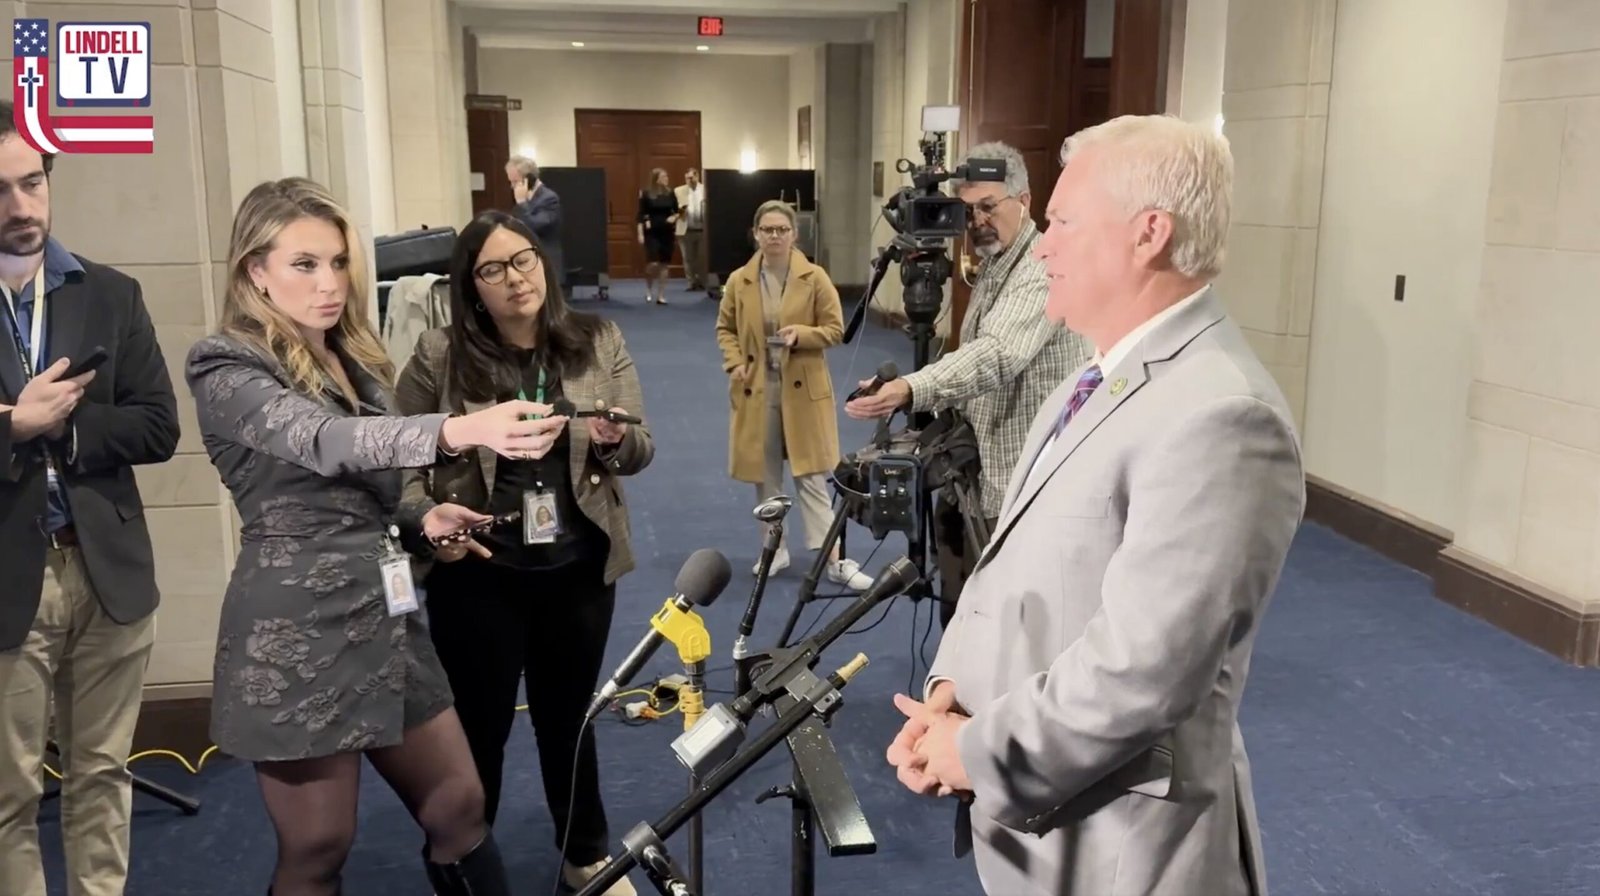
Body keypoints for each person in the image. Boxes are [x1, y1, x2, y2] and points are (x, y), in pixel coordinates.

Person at [886, 115, 1306, 896]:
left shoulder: (1221, 414)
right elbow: (1007, 574)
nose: (1042, 247)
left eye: (1064, 222)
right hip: (1048, 824)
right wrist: (950, 695)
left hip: (1126, 853)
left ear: (1149, 233)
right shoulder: (1093, 376)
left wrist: (973, 751)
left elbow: (1142, 674)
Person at [186, 177, 562, 896]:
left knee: (459, 802)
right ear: (254, 271)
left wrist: (423, 522)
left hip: (386, 613)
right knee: (319, 844)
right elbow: (325, 441)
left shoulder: (350, 355)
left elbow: (365, 489)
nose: (329, 283)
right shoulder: (225, 363)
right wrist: (460, 430)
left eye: (338, 262)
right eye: (304, 264)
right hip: (295, 627)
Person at [395, 210, 653, 896]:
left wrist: (608, 440)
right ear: (470, 286)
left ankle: (585, 855)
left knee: (570, 719)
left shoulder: (597, 340)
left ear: (542, 264)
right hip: (479, 572)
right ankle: (467, 861)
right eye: (491, 270)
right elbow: (397, 461)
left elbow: (640, 448)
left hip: (577, 569)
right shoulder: (437, 355)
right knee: (477, 730)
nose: (513, 279)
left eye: (523, 261)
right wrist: (428, 523)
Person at [0, 100, 179, 896]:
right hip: (8, 581)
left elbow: (157, 425)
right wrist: (14, 425)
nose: (21, 208)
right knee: (7, 798)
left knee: (102, 776)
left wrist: (64, 431)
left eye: (32, 183)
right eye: (0, 191)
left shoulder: (109, 293)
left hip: (105, 569)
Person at [845, 140, 1091, 626]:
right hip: (976, 478)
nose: (977, 220)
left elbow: (998, 354)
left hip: (1019, 490)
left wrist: (914, 388)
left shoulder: (1040, 268)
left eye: (988, 207)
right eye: (967, 209)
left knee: (1006, 629)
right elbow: (974, 349)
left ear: (1025, 201)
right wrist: (906, 379)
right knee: (964, 618)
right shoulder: (996, 266)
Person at [715, 199, 872, 590]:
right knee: (765, 477)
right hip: (757, 390)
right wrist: (734, 362)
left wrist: (802, 334)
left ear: (794, 234)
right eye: (767, 230)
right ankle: (774, 550)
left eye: (781, 230)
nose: (774, 237)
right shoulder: (739, 280)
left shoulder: (815, 277)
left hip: (802, 390)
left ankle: (832, 560)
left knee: (812, 477)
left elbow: (836, 330)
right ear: (755, 234)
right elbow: (726, 329)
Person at [505, 156, 564, 291]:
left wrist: (521, 203)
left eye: (515, 181)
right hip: (527, 262)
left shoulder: (549, 198)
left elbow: (533, 226)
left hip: (546, 264)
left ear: (529, 179)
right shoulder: (524, 198)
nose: (512, 186)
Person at [636, 168, 678, 305]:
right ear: (656, 179)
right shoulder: (647, 194)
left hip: (667, 232)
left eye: (666, 176)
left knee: (665, 264)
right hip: (652, 232)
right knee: (653, 263)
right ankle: (649, 289)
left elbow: (678, 211)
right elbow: (640, 215)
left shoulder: (670, 193)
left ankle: (661, 295)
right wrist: (640, 233)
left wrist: (674, 217)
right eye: (663, 176)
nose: (666, 178)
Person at [674, 169, 707, 292]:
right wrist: (680, 211)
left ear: (697, 176)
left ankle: (703, 282)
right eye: (687, 178)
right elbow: (673, 209)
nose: (690, 180)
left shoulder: (705, 189)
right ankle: (691, 282)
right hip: (685, 228)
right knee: (687, 257)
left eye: (692, 178)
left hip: (702, 228)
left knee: (702, 257)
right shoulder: (678, 191)